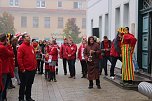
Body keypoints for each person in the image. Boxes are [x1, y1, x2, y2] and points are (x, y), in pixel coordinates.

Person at [17, 33, 37, 101]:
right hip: (25, 70)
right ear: (23, 38)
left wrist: (35, 67)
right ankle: (21, 98)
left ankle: (28, 97)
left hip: (32, 69)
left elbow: (33, 57)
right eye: (27, 36)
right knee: (23, 85)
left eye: (29, 36)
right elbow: (19, 59)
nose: (29, 37)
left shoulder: (31, 47)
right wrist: (22, 69)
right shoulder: (21, 47)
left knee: (29, 84)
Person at [0, 33, 14, 101]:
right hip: (4, 69)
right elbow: (11, 54)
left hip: (4, 68)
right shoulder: (3, 47)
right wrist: (8, 45)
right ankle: (3, 98)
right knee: (3, 86)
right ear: (5, 39)